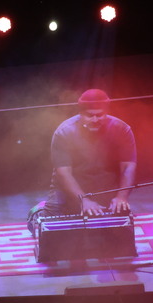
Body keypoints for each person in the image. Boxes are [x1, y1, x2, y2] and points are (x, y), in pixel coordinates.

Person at [40, 88, 138, 218]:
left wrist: (121, 196)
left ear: (107, 112)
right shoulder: (64, 132)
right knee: (51, 222)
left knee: (118, 222)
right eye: (90, 115)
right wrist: (84, 200)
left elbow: (128, 167)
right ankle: (40, 210)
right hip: (68, 187)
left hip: (105, 186)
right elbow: (64, 173)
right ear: (80, 113)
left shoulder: (122, 129)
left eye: (100, 115)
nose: (95, 119)